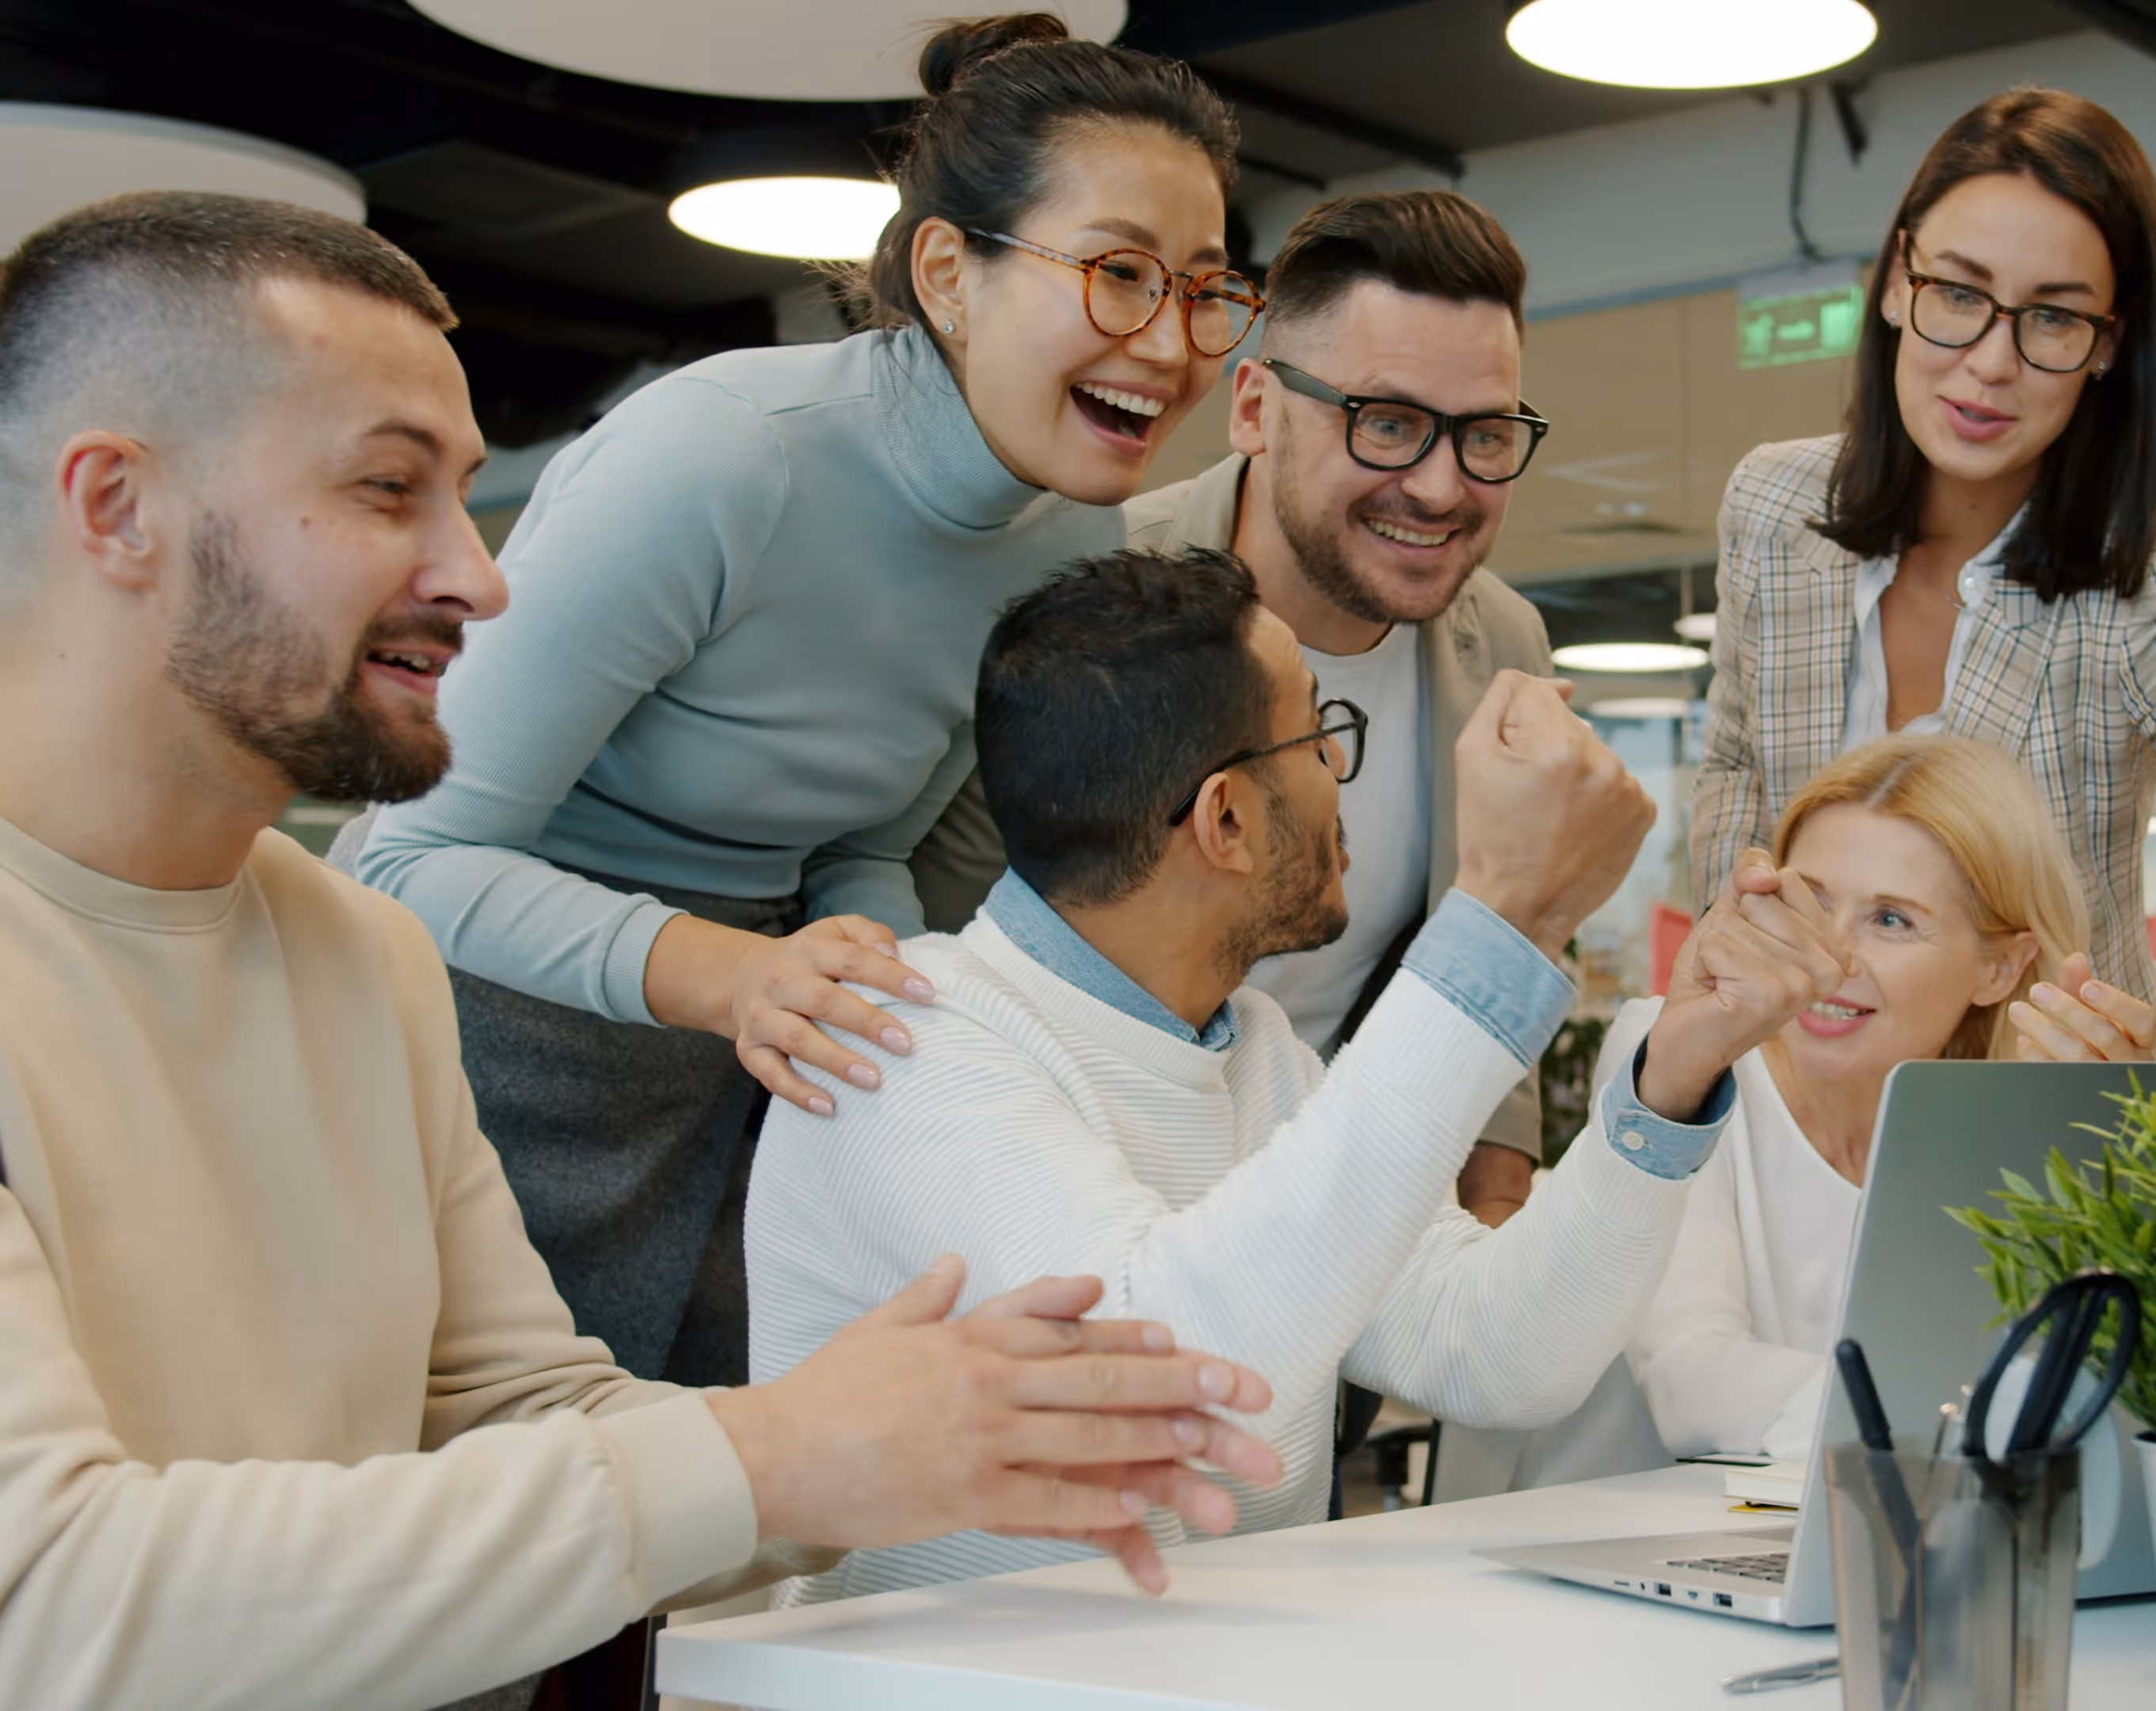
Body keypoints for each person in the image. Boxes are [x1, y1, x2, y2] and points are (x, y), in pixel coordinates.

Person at [0, 192, 1281, 1711]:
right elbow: (48, 1599)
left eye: (463, 499)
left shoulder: (358, 949)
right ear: (115, 508)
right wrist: (779, 1458)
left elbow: (520, 1409)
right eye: (386, 489)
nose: (478, 578)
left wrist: (913, 1442)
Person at [350, 15, 1257, 1385]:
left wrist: (908, 993)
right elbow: (405, 859)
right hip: (497, 1064)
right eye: (1121, 274)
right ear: (950, 272)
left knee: (721, 1550)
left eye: (1204, 289)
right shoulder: (726, 459)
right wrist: (739, 974)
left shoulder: (1073, 542)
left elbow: (864, 846)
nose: (1174, 341)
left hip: (756, 1068)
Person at [746, 547, 1850, 1599]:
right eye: (1321, 736)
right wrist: (1500, 921)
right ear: (1225, 818)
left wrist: (1669, 1077)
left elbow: (1498, 1351)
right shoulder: (905, 1042)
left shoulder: (1257, 1049)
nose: (1339, 776)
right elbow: (1166, 1365)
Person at [910, 187, 1557, 1225]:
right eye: (1386, 423)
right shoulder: (1087, 585)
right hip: (1051, 1203)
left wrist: (1495, 1181)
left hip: (1338, 1222)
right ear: (1253, 407)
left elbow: (1487, 924)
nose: (1440, 487)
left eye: (1484, 436)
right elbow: (938, 915)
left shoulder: (1505, 646)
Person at [1692, 86, 2156, 1060]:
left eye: (2052, 318)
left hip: (2066, 1133)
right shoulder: (1775, 509)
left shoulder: (2143, 577)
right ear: (1895, 284)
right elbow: (1739, 762)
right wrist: (1742, 950)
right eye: (1958, 294)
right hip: (1807, 1097)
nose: (1992, 362)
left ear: (2108, 346)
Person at [1620, 735, 2156, 1460]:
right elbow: (1691, 1382)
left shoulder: (2000, 1126)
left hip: (1879, 1552)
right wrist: (1962, 1429)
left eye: (1891, 920)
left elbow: (2107, 1381)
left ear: (2001, 969)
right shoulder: (1675, 1051)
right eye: (1808, 902)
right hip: (1613, 1544)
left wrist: (2119, 1162)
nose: (1830, 957)